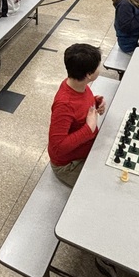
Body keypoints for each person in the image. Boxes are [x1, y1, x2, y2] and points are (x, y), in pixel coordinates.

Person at [48, 43, 106, 186]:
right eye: (98, 66)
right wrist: (89, 128)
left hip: (87, 148)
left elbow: (80, 104)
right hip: (68, 166)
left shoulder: (76, 84)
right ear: (88, 75)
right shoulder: (64, 105)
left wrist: (96, 102)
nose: (100, 68)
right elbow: (58, 147)